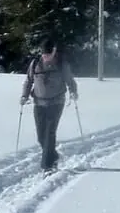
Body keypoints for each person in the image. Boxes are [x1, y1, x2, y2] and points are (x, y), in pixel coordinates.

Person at [22, 39, 79, 171]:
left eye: (48, 54)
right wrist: (24, 96)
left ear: (54, 51)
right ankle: (53, 156)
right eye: (44, 54)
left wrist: (73, 92)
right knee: (41, 137)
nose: (46, 57)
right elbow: (28, 81)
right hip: (39, 103)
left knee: (50, 134)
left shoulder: (61, 64)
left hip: (56, 103)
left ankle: (47, 167)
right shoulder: (35, 64)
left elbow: (70, 81)